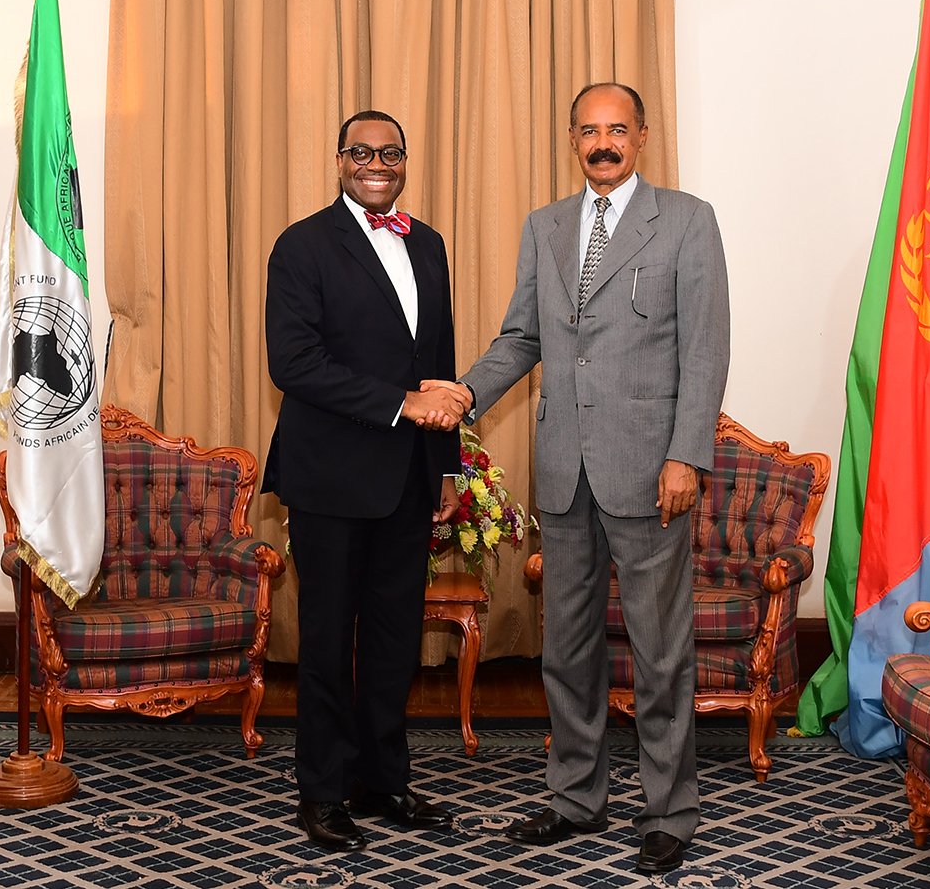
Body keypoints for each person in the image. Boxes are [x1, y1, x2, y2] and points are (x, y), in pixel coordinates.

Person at [424, 82, 730, 874]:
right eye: (589, 131)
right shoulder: (546, 227)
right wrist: (464, 393)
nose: (604, 143)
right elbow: (520, 337)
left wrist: (685, 455)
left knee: (660, 653)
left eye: (618, 130)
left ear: (643, 138)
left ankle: (671, 811)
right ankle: (575, 800)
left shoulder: (688, 221)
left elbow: (704, 349)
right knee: (566, 649)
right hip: (563, 473)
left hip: (649, 470)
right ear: (572, 140)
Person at [262, 109, 465, 852]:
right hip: (330, 480)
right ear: (339, 160)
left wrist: (447, 465)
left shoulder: (430, 244)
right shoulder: (303, 245)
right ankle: (320, 792)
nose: (375, 162)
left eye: (390, 152)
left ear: (405, 162)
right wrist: (399, 404)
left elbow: (437, 359)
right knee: (325, 642)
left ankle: (383, 781)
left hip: (410, 480)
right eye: (360, 151)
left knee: (392, 642)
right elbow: (294, 363)